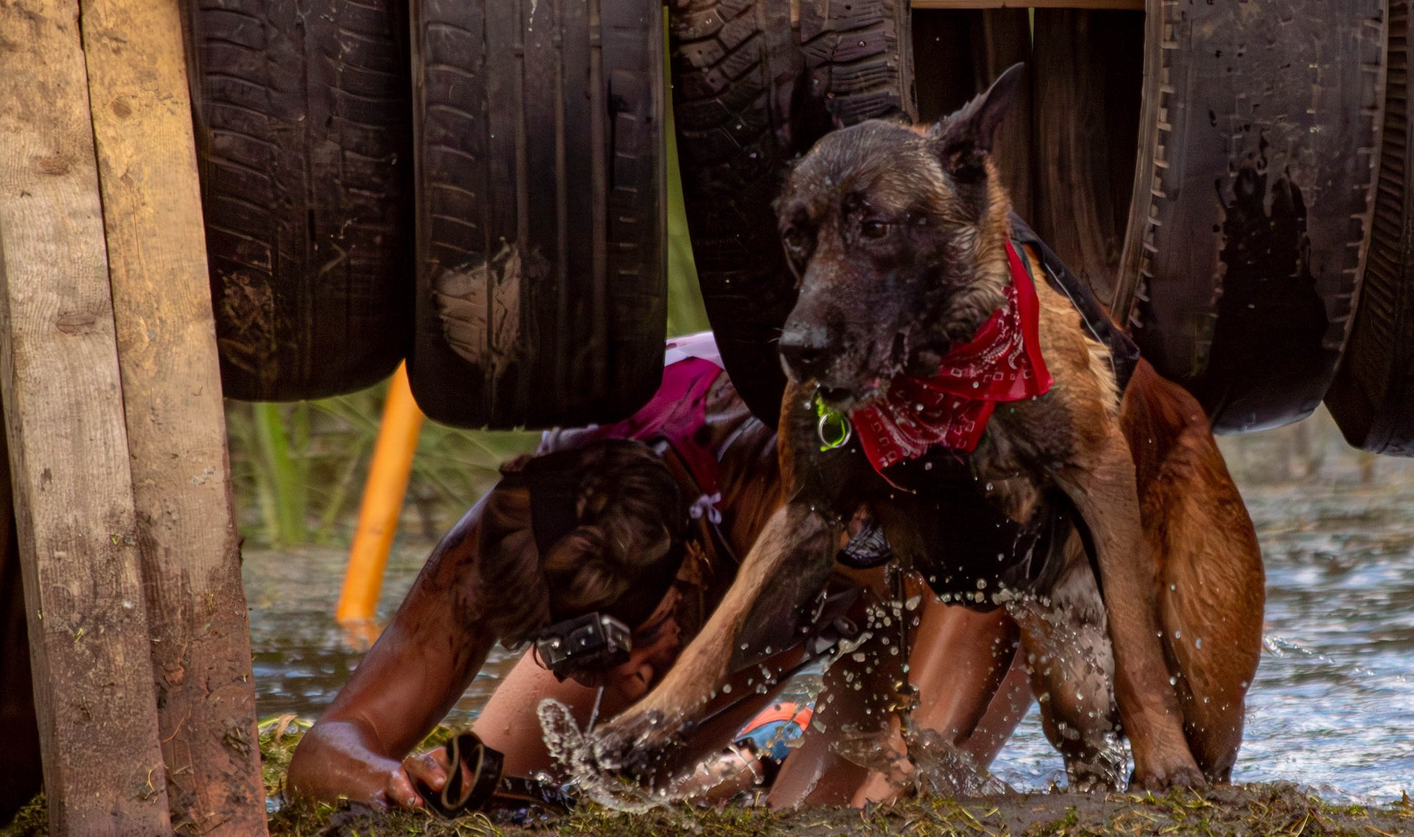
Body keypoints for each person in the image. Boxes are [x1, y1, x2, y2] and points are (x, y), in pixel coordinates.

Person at [284, 333, 1031, 812]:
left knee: (832, 828)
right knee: (500, 803)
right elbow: (326, 750)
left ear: (694, 556)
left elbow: (980, 594)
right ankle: (750, 761)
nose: (631, 681)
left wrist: (906, 785)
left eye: (639, 642)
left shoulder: (774, 489)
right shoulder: (504, 544)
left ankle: (778, 758)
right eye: (593, 652)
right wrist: (386, 785)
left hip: (945, 564)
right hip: (728, 577)